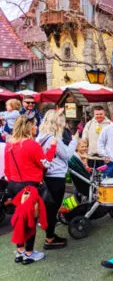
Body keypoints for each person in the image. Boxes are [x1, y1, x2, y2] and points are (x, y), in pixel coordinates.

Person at [4, 115, 57, 264]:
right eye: (34, 125)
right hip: (30, 187)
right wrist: (53, 147)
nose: (36, 127)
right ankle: (29, 253)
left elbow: (7, 170)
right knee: (29, 221)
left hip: (14, 186)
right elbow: (45, 164)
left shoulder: (9, 145)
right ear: (28, 127)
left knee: (20, 220)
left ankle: (20, 251)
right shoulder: (32, 145)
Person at [37, 110, 79, 250]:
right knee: (53, 209)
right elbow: (66, 154)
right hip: (56, 176)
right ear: (58, 123)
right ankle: (50, 239)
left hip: (47, 175)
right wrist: (74, 141)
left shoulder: (40, 136)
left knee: (49, 207)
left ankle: (51, 235)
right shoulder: (52, 138)